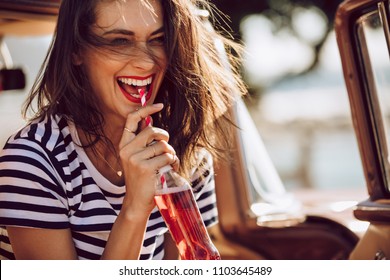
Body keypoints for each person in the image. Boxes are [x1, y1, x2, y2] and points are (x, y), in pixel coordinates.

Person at [0, 0, 246, 260]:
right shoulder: (33, 162)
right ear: (76, 50)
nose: (145, 63)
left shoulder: (186, 152)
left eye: (158, 39)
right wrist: (135, 208)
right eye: (119, 41)